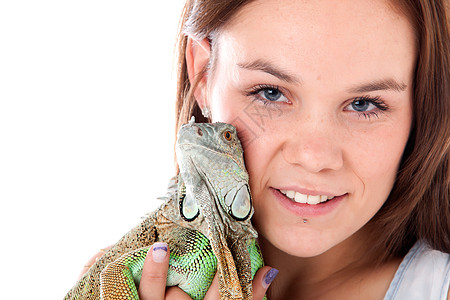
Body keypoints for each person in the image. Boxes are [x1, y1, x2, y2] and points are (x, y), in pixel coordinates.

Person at [83, 0, 450, 299]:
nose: (314, 157)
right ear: (204, 75)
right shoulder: (122, 277)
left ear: (421, 104)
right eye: (270, 93)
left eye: (364, 104)